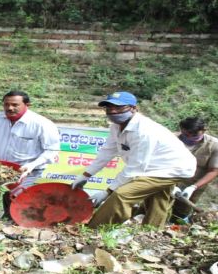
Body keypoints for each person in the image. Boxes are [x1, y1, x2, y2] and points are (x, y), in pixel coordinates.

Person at [71, 91, 196, 228]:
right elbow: (106, 152)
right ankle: (152, 231)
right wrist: (84, 176)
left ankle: (96, 228)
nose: (113, 111)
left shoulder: (144, 131)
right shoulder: (116, 127)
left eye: (119, 108)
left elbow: (136, 167)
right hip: (155, 165)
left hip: (172, 168)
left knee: (122, 195)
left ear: (134, 109)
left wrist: (108, 191)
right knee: (158, 198)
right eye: (109, 108)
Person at [0, 90, 60, 220]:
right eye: (6, 104)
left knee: (19, 198)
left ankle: (21, 225)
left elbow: (52, 150)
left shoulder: (42, 124)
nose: (10, 108)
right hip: (3, 170)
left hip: (29, 171)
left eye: (15, 105)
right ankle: (9, 223)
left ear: (27, 105)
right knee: (8, 196)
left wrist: (32, 165)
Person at [171, 117, 218, 220]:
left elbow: (214, 171)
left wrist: (193, 187)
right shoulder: (170, 138)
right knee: (156, 205)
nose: (190, 137)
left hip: (194, 184)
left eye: (195, 135)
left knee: (180, 213)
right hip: (169, 179)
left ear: (204, 130)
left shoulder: (216, 146)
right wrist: (169, 183)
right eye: (186, 134)